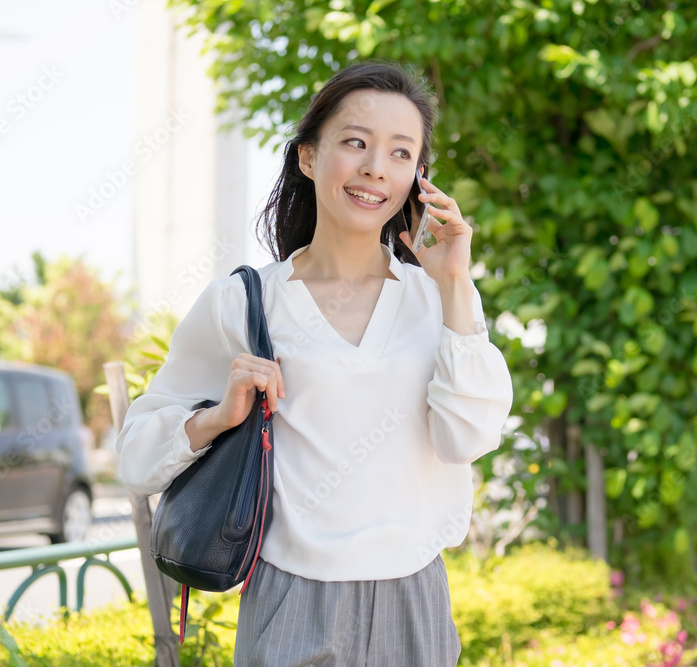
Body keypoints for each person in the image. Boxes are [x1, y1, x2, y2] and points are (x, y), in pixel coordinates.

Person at [114, 61, 513, 666]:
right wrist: (219, 416)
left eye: (401, 153)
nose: (376, 167)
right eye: (355, 142)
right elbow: (136, 454)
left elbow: (469, 438)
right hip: (290, 603)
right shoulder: (244, 303)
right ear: (308, 157)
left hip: (415, 601)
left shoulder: (440, 299)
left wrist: (455, 281)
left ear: (419, 177)